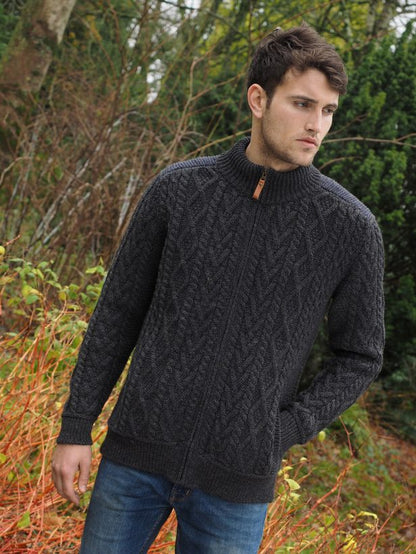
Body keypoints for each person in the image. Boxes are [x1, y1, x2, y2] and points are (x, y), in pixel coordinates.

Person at [52, 23, 385, 553]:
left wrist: (283, 429)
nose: (316, 125)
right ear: (258, 99)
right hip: (135, 457)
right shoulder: (179, 190)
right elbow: (118, 312)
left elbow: (361, 355)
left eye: (327, 111)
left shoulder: (349, 228)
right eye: (302, 104)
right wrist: (76, 426)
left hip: (237, 485)